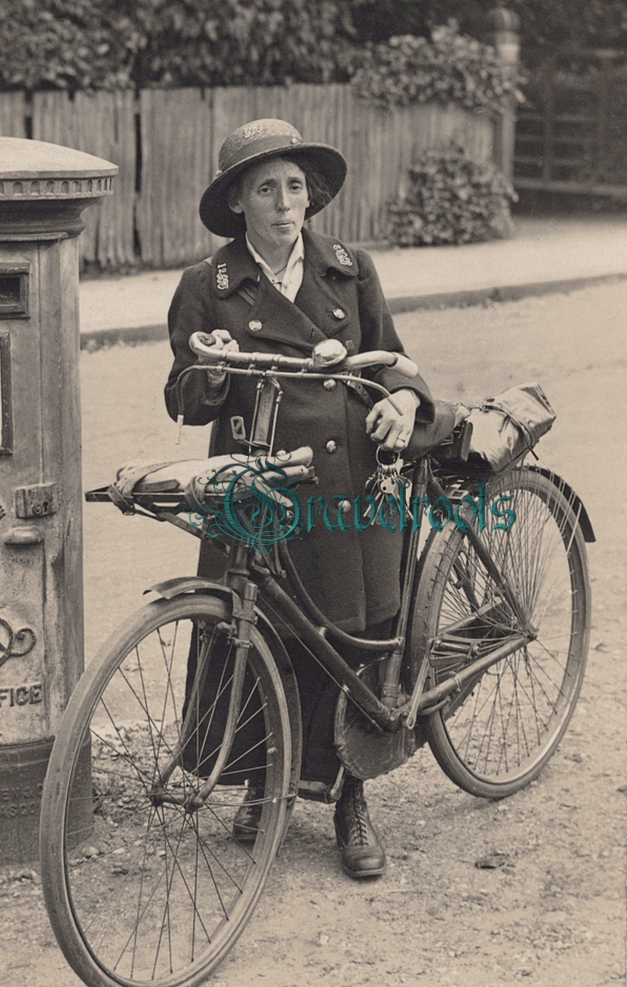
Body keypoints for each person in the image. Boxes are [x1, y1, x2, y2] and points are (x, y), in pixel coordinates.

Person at [164, 118, 435, 880]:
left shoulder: (350, 269)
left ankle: (352, 797)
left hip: (349, 489)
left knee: (352, 637)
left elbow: (396, 359)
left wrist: (404, 403)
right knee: (254, 627)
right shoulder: (206, 287)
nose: (286, 204)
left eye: (295, 187)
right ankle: (258, 779)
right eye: (266, 189)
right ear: (238, 203)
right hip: (259, 486)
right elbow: (183, 398)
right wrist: (209, 370)